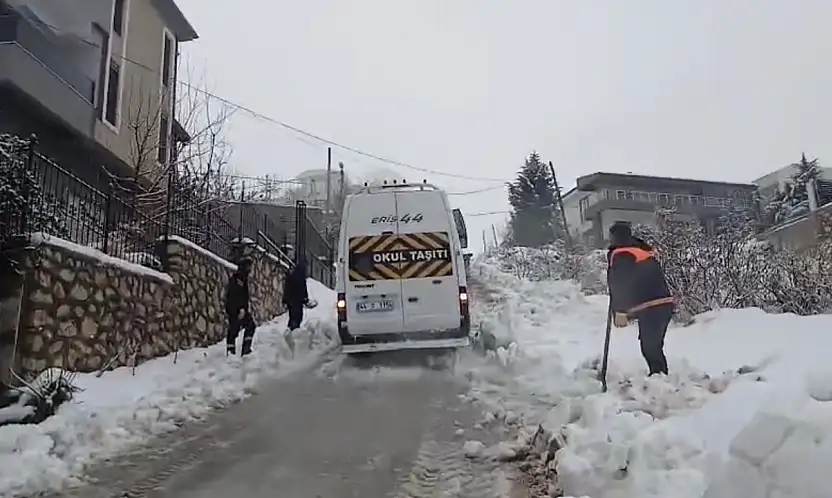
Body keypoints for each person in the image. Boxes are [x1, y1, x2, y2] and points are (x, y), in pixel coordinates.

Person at [606, 221, 675, 376]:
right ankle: (659, 378)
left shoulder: (623, 254)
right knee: (651, 346)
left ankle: (660, 379)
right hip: (661, 304)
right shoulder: (638, 250)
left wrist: (620, 311)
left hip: (652, 306)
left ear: (615, 237)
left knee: (650, 347)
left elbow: (621, 283)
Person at [225, 257, 256, 356]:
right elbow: (234, 295)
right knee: (234, 330)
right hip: (236, 309)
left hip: (241, 309)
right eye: (249, 266)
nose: (251, 269)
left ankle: (244, 350)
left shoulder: (243, 278)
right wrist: (240, 309)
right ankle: (231, 353)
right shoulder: (237, 279)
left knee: (250, 325)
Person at [282, 259, 309, 331]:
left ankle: (292, 329)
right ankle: (293, 330)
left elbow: (287, 288)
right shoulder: (299, 278)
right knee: (297, 316)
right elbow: (303, 289)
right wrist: (305, 298)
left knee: (293, 316)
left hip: (293, 301)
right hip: (296, 301)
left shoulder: (293, 276)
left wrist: (286, 300)